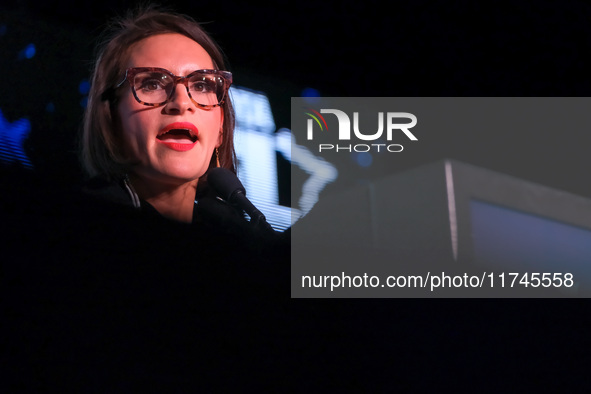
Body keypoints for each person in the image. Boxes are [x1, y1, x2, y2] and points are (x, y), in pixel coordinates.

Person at [80, 6, 246, 228]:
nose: (181, 102)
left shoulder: (245, 243)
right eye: (152, 83)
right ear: (111, 117)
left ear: (220, 130)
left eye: (201, 85)